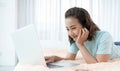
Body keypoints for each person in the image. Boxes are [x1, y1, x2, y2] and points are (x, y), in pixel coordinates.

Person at [45, 7, 120, 64]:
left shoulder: (104, 36)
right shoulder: (76, 38)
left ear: (85, 25)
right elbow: (70, 58)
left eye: (73, 28)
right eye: (67, 29)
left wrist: (80, 45)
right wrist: (55, 58)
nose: (70, 33)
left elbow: (98, 64)